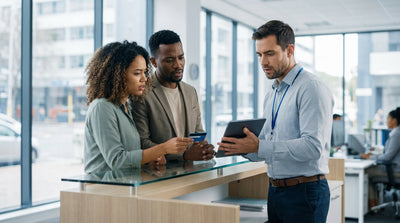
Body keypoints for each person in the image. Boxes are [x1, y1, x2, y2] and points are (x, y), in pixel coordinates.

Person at [217, 20, 334, 222]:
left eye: (269, 54)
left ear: (289, 50)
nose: (263, 62)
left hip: (305, 193)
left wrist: (259, 146)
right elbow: (265, 148)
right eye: (259, 55)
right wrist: (240, 147)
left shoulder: (311, 88)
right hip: (276, 191)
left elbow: (313, 147)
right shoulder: (272, 94)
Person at [84, 41, 193, 173]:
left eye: (144, 72)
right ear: (118, 75)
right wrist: (163, 148)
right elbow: (117, 161)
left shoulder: (125, 107)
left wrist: (151, 158)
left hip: (124, 188)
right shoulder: (102, 107)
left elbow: (130, 156)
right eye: (137, 73)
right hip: (102, 189)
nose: (144, 79)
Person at [132, 30, 215, 162]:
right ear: (153, 62)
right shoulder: (142, 93)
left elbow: (198, 132)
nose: (178, 65)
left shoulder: (190, 91)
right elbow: (142, 142)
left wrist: (204, 148)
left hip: (192, 173)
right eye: (170, 60)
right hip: (160, 175)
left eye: (181, 57)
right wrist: (184, 156)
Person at [360, 107, 400, 209]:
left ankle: (372, 205)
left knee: (366, 172)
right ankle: (374, 203)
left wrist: (371, 157)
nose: (386, 121)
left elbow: (387, 157)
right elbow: (388, 152)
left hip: (394, 170)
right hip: (394, 167)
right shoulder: (396, 132)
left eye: (388, 118)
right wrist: (375, 152)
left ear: (394, 120)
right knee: (369, 170)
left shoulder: (396, 134)